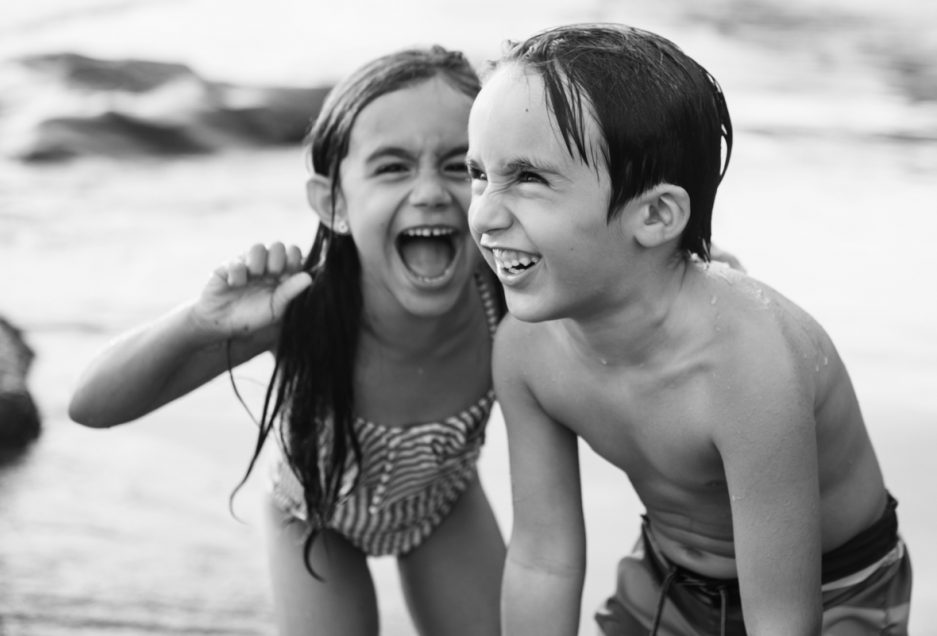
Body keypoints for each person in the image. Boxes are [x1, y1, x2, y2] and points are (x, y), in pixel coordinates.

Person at [465, 23, 911, 636]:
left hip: (836, 588)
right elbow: (544, 559)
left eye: (529, 178)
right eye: (478, 174)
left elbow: (783, 620)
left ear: (655, 215)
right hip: (669, 577)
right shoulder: (527, 353)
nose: (484, 213)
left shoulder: (747, 366)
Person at [68, 46, 505, 636]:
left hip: (444, 502)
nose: (429, 190)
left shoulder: (503, 301)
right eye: (393, 167)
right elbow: (92, 404)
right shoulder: (300, 307)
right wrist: (200, 321)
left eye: (459, 166)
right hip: (314, 517)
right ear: (334, 204)